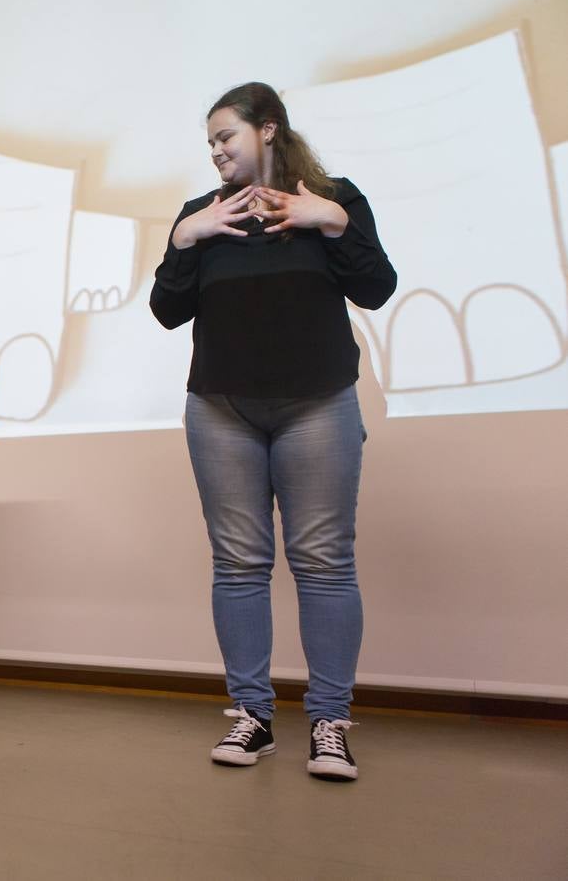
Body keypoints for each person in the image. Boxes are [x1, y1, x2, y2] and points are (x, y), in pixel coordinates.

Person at [150, 82, 397, 781]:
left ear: (268, 130)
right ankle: (251, 718)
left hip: (317, 405)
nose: (217, 151)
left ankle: (329, 724)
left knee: (323, 563)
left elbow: (376, 288)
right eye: (210, 143)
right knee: (237, 565)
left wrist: (334, 222)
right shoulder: (202, 214)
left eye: (226, 136)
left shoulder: (333, 197)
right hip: (222, 409)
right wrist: (183, 239)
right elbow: (168, 311)